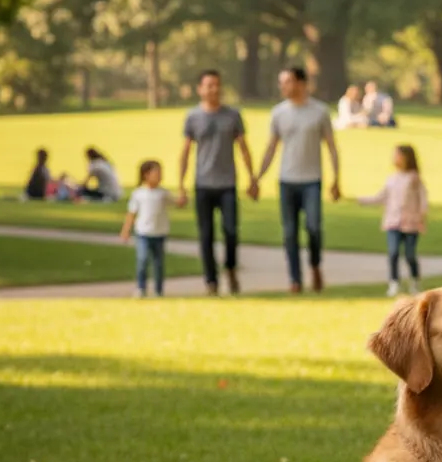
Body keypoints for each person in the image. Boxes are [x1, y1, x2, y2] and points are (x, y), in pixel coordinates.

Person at [255, 66, 341, 293]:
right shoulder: (278, 113)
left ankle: (315, 265)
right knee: (290, 232)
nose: (283, 86)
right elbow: (271, 148)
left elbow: (331, 146)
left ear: (302, 83)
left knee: (313, 228)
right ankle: (295, 279)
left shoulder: (320, 111)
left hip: (312, 180)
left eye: (288, 81)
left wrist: (336, 179)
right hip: (287, 180)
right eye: (281, 82)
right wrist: (257, 178)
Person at [178, 69, 256, 296]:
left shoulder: (232, 115)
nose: (214, 89)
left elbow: (243, 148)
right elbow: (185, 152)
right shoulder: (193, 117)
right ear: (200, 89)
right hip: (203, 184)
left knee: (231, 231)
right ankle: (211, 281)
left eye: (217, 85)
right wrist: (181, 185)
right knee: (206, 236)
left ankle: (230, 269)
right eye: (209, 85)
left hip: (227, 184)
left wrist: (252, 178)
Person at [357, 144, 428, 297]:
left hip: (411, 223)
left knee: (410, 255)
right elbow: (381, 197)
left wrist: (422, 217)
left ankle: (415, 281)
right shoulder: (392, 179)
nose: (394, 158)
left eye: (397, 155)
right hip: (393, 222)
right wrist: (361, 200)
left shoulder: (414, 178)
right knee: (393, 253)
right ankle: (394, 283)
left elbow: (423, 200)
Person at [120, 160, 180, 298]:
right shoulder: (138, 194)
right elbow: (132, 213)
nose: (159, 176)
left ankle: (158, 290)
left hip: (159, 233)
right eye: (156, 173)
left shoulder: (163, 193)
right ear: (146, 175)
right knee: (142, 260)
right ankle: (141, 288)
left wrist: (182, 199)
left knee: (158, 264)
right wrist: (126, 229)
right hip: (143, 233)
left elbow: (175, 203)